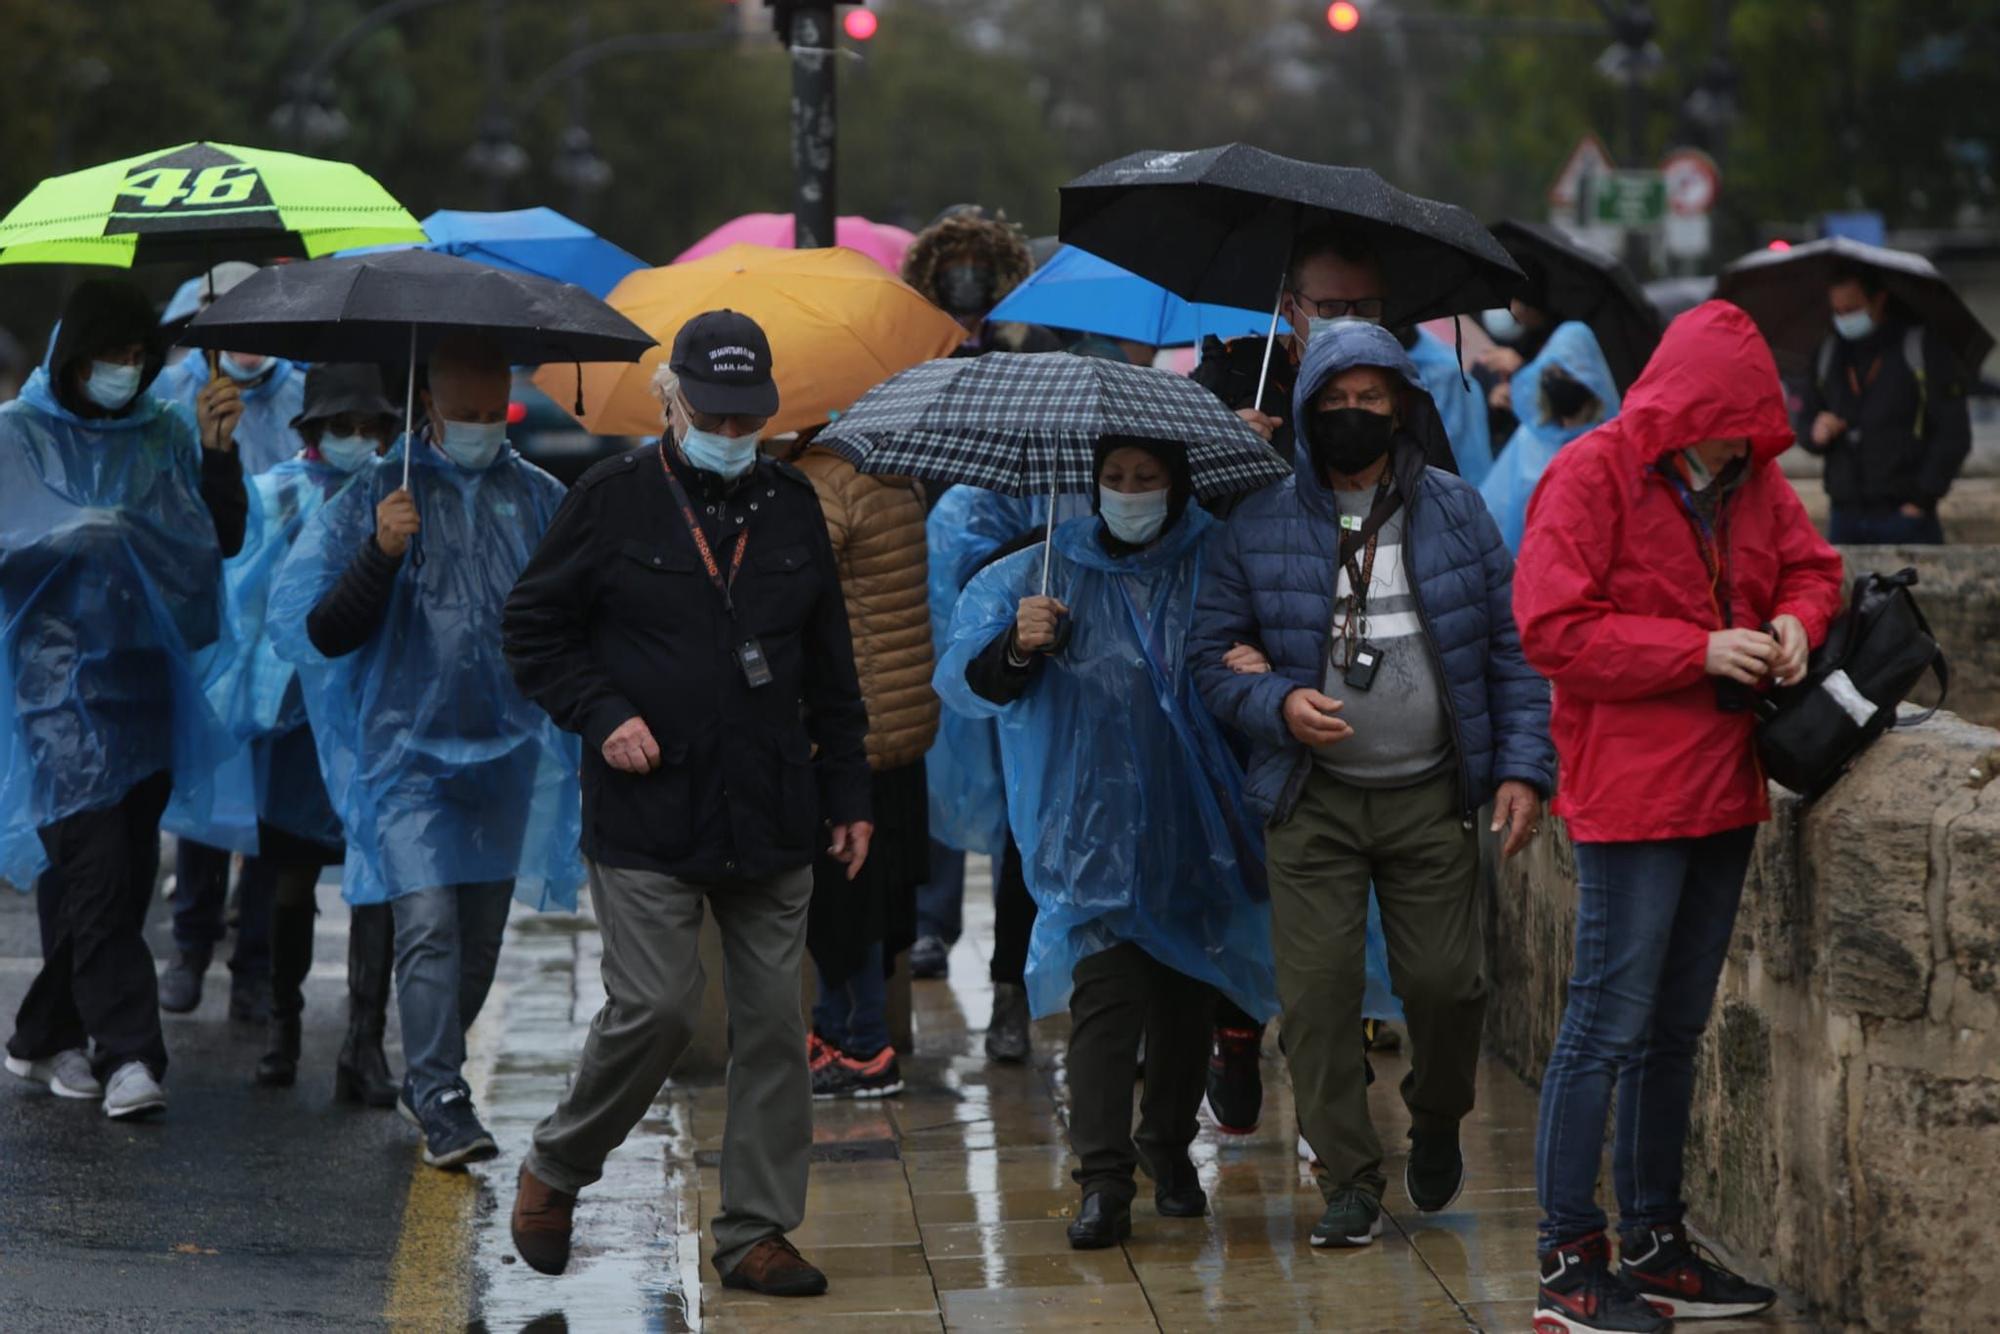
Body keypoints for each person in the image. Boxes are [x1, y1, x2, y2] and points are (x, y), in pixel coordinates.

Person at [501, 311, 871, 1299]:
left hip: (772, 805)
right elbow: (534, 628)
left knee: (771, 1025)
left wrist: (848, 789)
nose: (729, 427)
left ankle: (753, 1230)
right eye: (711, 410)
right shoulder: (610, 498)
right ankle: (558, 1164)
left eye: (747, 414)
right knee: (659, 1005)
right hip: (646, 808)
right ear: (671, 401)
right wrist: (601, 711)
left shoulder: (792, 503)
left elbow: (831, 666)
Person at [1513, 301, 1843, 1332]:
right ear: (1680, 406)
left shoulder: (1748, 476)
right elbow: (1551, 627)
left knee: (1671, 1026)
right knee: (1602, 1024)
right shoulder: (1592, 470)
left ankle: (1653, 1239)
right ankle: (1569, 1258)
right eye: (1721, 423)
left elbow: (1810, 565)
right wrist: (1692, 651)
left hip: (1723, 782)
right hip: (1629, 788)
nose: (1736, 445)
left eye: (1750, 427)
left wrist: (1793, 621)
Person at [1188, 321, 1553, 1250]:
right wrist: (1276, 700)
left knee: (1447, 984)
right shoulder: (1260, 519)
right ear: (1309, 411)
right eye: (1336, 402)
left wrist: (1521, 768)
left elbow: (1511, 653)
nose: (1353, 416)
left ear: (1401, 409)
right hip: (1312, 797)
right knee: (1315, 1000)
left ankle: (1436, 1114)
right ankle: (1347, 1179)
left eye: (1372, 401)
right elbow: (1209, 660)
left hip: (1432, 791)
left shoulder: (1458, 510)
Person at [937, 436, 1278, 1249]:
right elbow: (971, 680)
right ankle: (1102, 1179)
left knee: (1185, 995)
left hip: (1196, 827)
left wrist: (1256, 662)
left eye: (1146, 479)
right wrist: (1019, 643)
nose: (1129, 493)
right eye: (1114, 479)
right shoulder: (1043, 569)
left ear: (1176, 484)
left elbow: (1270, 655)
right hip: (1088, 832)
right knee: (1105, 999)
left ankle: (1166, 1143)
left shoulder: (1219, 561)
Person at [268, 333, 582, 1167]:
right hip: (405, 755)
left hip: (506, 754)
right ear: (430, 408)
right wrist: (381, 552)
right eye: (464, 413)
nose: (481, 427)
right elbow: (323, 630)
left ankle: (431, 1073)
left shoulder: (541, 497)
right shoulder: (380, 494)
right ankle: (441, 1092)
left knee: (479, 942)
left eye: (492, 413)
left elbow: (575, 617)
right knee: (430, 926)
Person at [0, 278, 246, 1120]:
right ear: (73, 359)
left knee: (119, 869)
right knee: (98, 862)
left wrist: (219, 453)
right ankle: (133, 1054)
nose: (125, 371)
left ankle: (41, 1034)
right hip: (54, 687)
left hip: (142, 679)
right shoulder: (17, 437)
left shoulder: (165, 433)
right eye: (109, 356)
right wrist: (58, 536)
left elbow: (217, 541)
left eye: (138, 358)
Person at [164, 364, 405, 1098]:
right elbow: (243, 596)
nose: (357, 441)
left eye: (371, 429)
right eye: (343, 427)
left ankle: (363, 1044)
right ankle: (283, 1025)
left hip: (380, 713)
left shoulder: (399, 499)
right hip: (299, 719)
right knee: (290, 878)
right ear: (311, 429)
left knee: (377, 879)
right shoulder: (279, 496)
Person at [154, 265, 311, 1024]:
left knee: (274, 807)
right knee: (208, 790)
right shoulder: (176, 392)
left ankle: (256, 966)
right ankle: (189, 949)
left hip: (281, 633)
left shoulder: (304, 397)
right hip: (206, 616)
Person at [786, 427, 940, 1100]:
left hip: (845, 727)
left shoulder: (821, 483)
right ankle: (835, 1027)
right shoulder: (890, 466)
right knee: (877, 888)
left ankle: (865, 1043)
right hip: (900, 716)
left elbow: (797, 598)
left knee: (840, 891)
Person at [1796, 263, 1972, 545]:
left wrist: (1920, 501)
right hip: (1845, 515)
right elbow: (1805, 419)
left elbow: (1953, 434)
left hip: (1905, 516)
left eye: (1851, 309)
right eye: (1837, 311)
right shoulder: (1828, 353)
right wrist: (1816, 433)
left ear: (1878, 300)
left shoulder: (1920, 348)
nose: (1844, 318)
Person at [1479, 322, 1622, 554]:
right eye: (1554, 370)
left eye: (1569, 373)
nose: (1558, 379)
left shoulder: (1608, 450)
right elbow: (1494, 516)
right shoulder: (1531, 438)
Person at [900, 206, 1062, 357]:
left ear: (999, 269)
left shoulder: (1032, 343)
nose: (967, 276)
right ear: (931, 270)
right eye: (955, 262)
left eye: (979, 262)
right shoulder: (910, 344)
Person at [1475, 294, 1557, 446]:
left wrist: (1521, 369)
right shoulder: (1485, 359)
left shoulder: (1555, 341)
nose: (1514, 309)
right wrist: (1493, 403)